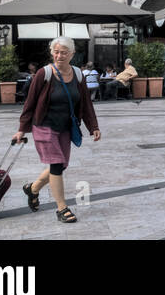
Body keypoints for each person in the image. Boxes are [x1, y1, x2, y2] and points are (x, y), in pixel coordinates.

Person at [13, 37, 101, 223]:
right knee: (56, 164)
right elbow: (29, 103)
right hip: (44, 126)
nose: (59, 55)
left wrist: (93, 126)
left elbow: (85, 103)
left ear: (72, 54)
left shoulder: (78, 74)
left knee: (61, 165)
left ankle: (33, 188)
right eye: (56, 51)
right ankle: (62, 208)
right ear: (52, 52)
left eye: (64, 52)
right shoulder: (43, 74)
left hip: (65, 128)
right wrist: (22, 129)